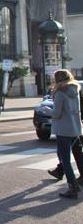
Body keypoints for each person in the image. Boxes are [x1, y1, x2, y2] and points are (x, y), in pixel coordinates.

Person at [48, 69, 82, 199]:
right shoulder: (75, 91)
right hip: (75, 128)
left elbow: (56, 113)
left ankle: (72, 187)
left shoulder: (60, 93)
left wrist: (48, 110)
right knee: (73, 155)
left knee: (65, 160)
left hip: (63, 129)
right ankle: (74, 182)